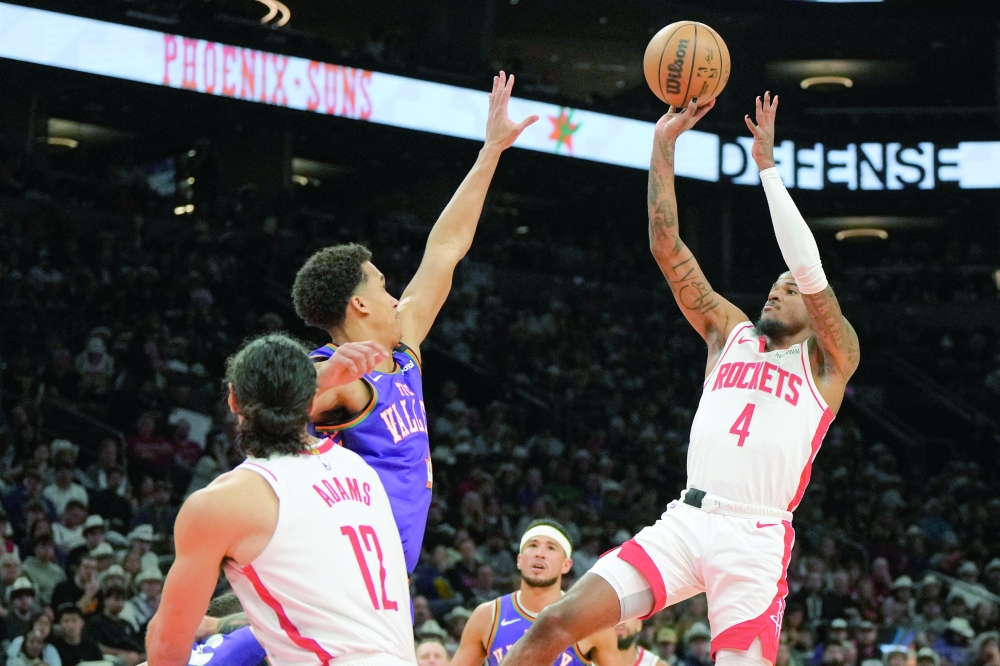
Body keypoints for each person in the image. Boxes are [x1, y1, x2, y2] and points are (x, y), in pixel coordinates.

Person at [499, 94, 861, 666]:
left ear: (814, 310)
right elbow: (666, 248)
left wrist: (767, 170)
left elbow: (811, 271)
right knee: (555, 623)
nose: (776, 290)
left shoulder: (828, 361)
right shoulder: (728, 333)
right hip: (686, 521)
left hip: (754, 539)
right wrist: (662, 147)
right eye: (774, 283)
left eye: (789, 290)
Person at [291, 71, 538, 579]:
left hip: (386, 572)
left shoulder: (404, 348)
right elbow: (267, 414)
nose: (392, 294)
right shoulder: (337, 373)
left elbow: (447, 247)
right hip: (340, 568)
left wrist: (491, 150)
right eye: (381, 285)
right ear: (359, 306)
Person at [145, 334, 415, 666]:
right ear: (313, 404)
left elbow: (168, 643)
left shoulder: (223, 503)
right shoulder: (359, 470)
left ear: (232, 399)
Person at [449, 520, 620, 666]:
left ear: (566, 565)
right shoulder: (487, 616)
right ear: (520, 560)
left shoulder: (590, 621)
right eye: (532, 545)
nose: (540, 554)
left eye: (551, 548)